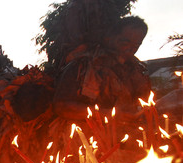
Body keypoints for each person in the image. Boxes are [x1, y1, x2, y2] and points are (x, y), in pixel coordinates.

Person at [52, 15, 151, 150]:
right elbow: (62, 107)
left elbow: (144, 103)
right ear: (111, 38)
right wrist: (110, 114)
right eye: (125, 42)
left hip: (126, 144)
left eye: (136, 45)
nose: (130, 48)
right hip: (84, 145)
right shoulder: (84, 64)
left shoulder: (138, 71)